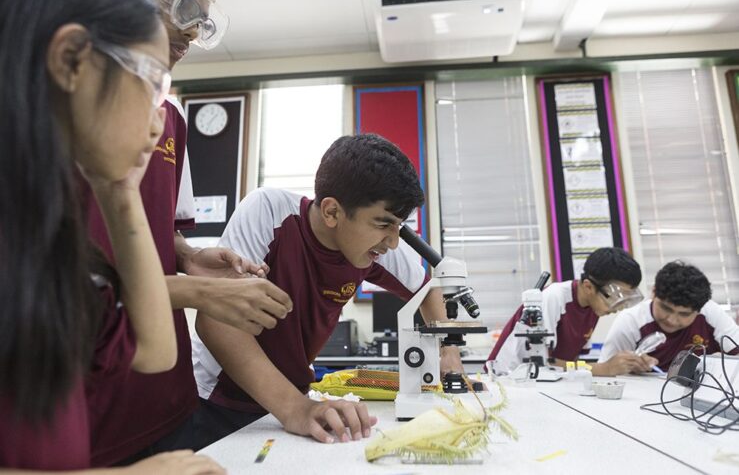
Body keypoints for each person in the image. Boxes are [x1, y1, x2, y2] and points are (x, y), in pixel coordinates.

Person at [0, 0, 222, 472]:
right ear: (73, 61)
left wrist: (119, 191)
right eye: (150, 82)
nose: (157, 119)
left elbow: (155, 350)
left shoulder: (54, 245)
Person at [83, 0, 293, 466]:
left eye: (203, 13)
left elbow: (157, 231)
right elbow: (86, 286)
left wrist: (190, 256)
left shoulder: (169, 118)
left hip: (163, 389)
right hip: (88, 392)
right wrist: (205, 295)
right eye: (185, 5)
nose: (193, 28)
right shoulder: (54, 111)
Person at [191, 134, 466, 447]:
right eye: (383, 224)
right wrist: (296, 408)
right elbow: (217, 323)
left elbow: (428, 292)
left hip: (291, 405)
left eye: (399, 227)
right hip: (220, 402)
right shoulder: (269, 213)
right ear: (332, 212)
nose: (392, 242)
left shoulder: (373, 246)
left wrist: (450, 352)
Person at [488, 247, 652, 377]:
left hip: (546, 381)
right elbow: (541, 363)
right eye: (614, 298)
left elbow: (571, 362)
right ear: (588, 287)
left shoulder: (593, 307)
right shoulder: (553, 297)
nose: (618, 307)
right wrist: (604, 369)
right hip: (509, 378)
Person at [600, 261, 739, 371]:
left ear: (699, 310)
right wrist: (627, 368)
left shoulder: (710, 312)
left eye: (684, 314)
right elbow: (606, 374)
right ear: (653, 293)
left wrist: (724, 361)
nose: (672, 320)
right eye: (666, 308)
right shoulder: (631, 321)